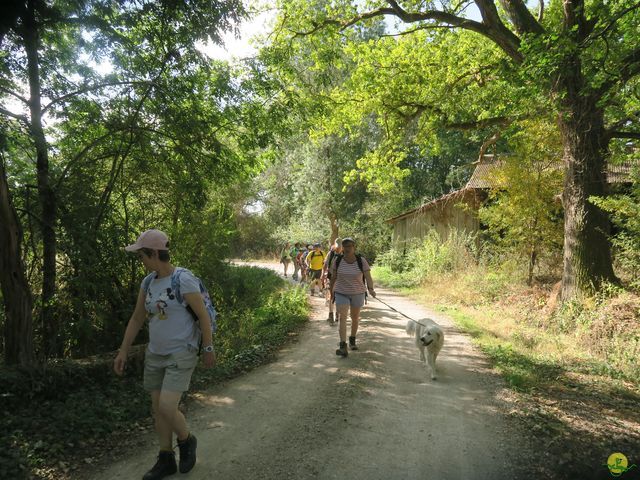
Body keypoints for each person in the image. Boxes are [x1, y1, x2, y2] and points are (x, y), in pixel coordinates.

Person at [113, 229, 215, 480]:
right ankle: (165, 457)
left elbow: (203, 316)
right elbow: (138, 317)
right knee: (158, 410)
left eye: (143, 255)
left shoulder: (184, 280)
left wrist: (208, 348)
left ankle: (187, 440)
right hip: (155, 353)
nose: (141, 261)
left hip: (182, 351)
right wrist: (123, 349)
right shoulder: (148, 282)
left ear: (155, 253)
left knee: (167, 407)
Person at [330, 237, 376, 357]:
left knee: (355, 317)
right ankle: (342, 345)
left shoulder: (361, 260)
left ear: (354, 247)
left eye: (350, 246)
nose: (347, 248)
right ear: (342, 248)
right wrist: (331, 290)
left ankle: (352, 339)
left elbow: (368, 276)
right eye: (345, 246)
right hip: (341, 292)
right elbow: (333, 277)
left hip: (358, 292)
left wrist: (371, 289)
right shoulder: (338, 260)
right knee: (343, 317)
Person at [322, 238, 343, 324]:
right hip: (331, 277)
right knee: (332, 295)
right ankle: (331, 314)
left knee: (340, 296)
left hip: (342, 278)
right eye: (338, 247)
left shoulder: (346, 254)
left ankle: (337, 314)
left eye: (340, 247)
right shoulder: (331, 253)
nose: (339, 249)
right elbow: (325, 265)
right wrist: (323, 275)